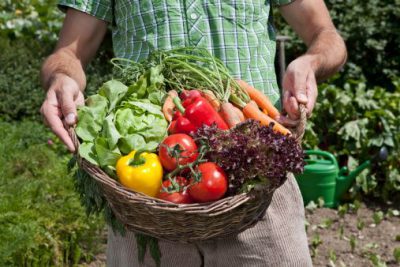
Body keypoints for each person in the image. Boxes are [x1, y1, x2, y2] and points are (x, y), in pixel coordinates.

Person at [40, 0, 347, 266]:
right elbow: (69, 54)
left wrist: (311, 61)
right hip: (150, 192)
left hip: (259, 180)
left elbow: (327, 36)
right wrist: (62, 77)